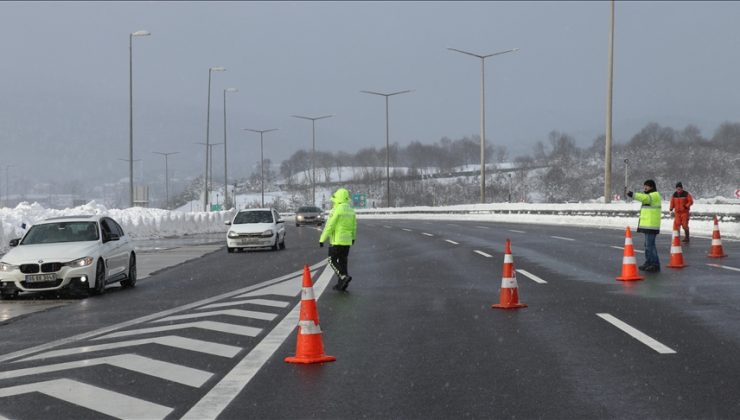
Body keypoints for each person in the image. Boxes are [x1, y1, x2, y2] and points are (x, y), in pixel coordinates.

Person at [319, 188, 357, 291]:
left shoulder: (336, 210)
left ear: (338, 198)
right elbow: (354, 226)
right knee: (343, 262)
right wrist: (353, 238)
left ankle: (343, 277)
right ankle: (341, 285)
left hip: (337, 241)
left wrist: (322, 239)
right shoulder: (351, 210)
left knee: (332, 260)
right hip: (347, 241)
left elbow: (329, 226)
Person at [627, 179, 662, 272]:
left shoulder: (654, 195)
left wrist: (633, 195)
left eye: (647, 186)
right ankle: (649, 262)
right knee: (647, 245)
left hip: (652, 225)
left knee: (650, 245)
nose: (645, 187)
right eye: (644, 186)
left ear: (652, 187)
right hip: (648, 225)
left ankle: (655, 264)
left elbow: (645, 198)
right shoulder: (650, 195)